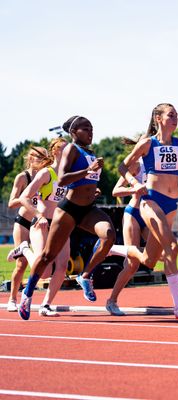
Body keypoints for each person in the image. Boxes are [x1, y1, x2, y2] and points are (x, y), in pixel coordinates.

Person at [110, 103, 178, 321]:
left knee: (149, 260)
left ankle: (114, 248)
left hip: (172, 203)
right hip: (150, 201)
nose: (175, 118)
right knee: (172, 246)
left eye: (177, 115)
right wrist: (134, 183)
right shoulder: (147, 144)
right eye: (171, 115)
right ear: (158, 119)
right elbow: (122, 167)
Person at [18, 116, 116, 320]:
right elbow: (62, 180)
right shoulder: (72, 149)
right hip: (69, 210)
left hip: (88, 209)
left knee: (109, 235)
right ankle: (27, 294)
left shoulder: (90, 153)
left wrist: (92, 188)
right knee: (47, 256)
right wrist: (88, 170)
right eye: (86, 128)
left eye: (92, 128)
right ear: (74, 132)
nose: (91, 132)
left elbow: (84, 182)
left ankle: (85, 276)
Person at [8, 139, 69, 316]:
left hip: (58, 222)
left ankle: (46, 305)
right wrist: (37, 210)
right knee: (26, 266)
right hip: (28, 220)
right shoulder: (28, 176)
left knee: (62, 265)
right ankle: (12, 298)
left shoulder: (67, 174)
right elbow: (19, 200)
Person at [104, 158, 149, 316]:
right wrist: (135, 188)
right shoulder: (137, 164)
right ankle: (111, 301)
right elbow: (115, 191)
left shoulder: (161, 163)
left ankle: (114, 249)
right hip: (134, 214)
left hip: (150, 215)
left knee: (162, 253)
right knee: (132, 265)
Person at [5, 148, 44, 312]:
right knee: (22, 264)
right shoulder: (23, 177)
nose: (43, 160)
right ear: (30, 158)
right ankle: (12, 299)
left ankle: (43, 301)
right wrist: (26, 199)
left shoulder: (47, 176)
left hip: (39, 223)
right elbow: (11, 202)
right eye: (39, 157)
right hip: (23, 222)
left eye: (45, 157)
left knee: (43, 261)